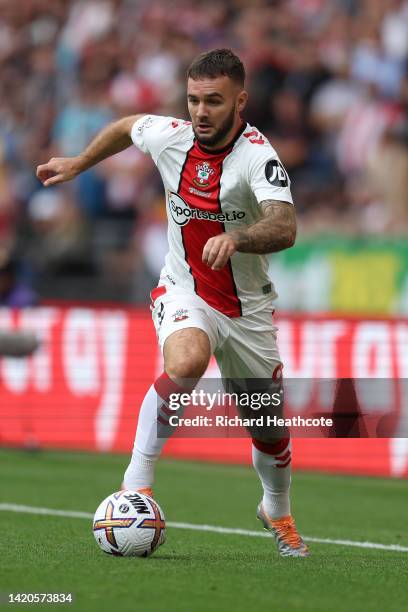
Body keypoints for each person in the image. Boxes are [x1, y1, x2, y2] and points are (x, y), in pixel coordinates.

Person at [37, 48, 309, 558]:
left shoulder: (257, 156)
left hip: (247, 310)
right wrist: (78, 163)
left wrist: (240, 238)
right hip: (184, 287)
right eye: (193, 100)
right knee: (185, 360)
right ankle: (136, 485)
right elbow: (125, 127)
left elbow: (285, 224)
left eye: (213, 101)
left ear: (240, 100)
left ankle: (276, 507)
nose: (200, 112)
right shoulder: (171, 137)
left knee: (269, 430)